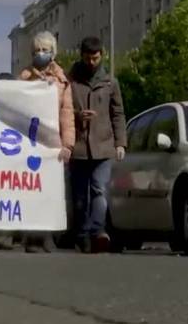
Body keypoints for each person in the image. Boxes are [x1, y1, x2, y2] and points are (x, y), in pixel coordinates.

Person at [18, 31, 76, 253]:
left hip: (53, 146)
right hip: (31, 144)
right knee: (32, 191)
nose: (40, 54)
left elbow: (67, 114)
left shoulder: (62, 81)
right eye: (36, 50)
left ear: (53, 52)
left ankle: (48, 236)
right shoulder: (24, 78)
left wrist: (68, 144)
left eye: (44, 50)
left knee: (52, 193)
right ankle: (32, 238)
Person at [68, 36, 127, 254]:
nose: (91, 62)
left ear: (102, 55)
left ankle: (97, 231)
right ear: (81, 56)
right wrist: (77, 115)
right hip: (79, 147)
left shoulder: (110, 82)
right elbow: (62, 110)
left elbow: (118, 114)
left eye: (95, 58)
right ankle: (82, 235)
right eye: (87, 58)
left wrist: (121, 143)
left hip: (104, 147)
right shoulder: (71, 81)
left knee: (99, 190)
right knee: (80, 196)